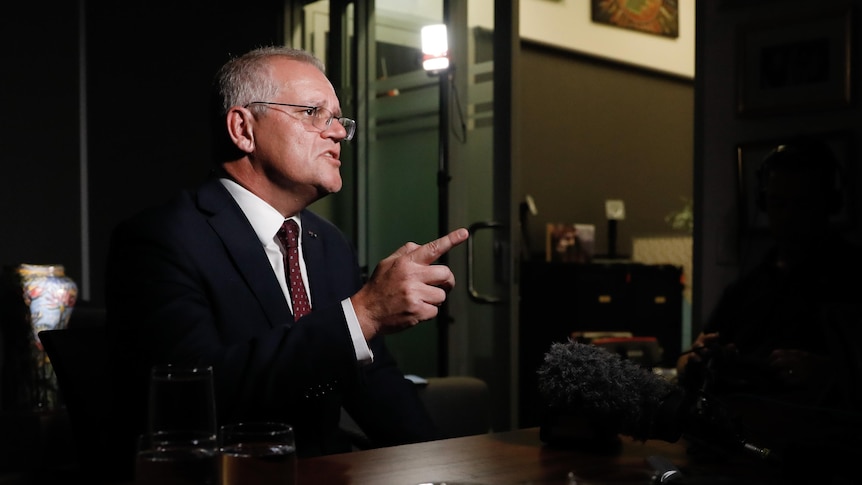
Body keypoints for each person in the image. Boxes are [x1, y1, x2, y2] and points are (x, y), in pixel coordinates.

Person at [104, 45, 469, 479]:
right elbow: (195, 397)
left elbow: (376, 386)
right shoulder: (160, 239)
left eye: (338, 119)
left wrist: (447, 467)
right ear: (243, 129)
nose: (336, 133)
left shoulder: (328, 243)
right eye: (314, 112)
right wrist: (363, 313)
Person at [676, 135, 862, 475]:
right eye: (778, 203)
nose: (788, 217)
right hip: (727, 448)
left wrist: (828, 372)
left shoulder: (853, 277)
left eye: (801, 204)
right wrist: (691, 360)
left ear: (829, 204)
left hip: (812, 460)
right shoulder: (746, 287)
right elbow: (688, 359)